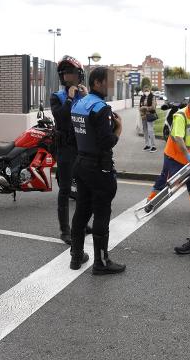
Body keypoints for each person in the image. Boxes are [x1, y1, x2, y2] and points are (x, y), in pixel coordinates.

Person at [69, 66, 126, 275]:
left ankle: (76, 257)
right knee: (102, 213)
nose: (110, 86)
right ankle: (101, 263)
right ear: (96, 83)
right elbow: (106, 142)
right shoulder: (100, 108)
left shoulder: (79, 104)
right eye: (107, 81)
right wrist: (118, 129)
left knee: (81, 211)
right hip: (99, 168)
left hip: (81, 164)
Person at [147, 93, 190, 215]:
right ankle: (151, 202)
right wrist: (187, 155)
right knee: (167, 179)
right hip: (175, 156)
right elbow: (178, 138)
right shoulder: (180, 116)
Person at [50, 55, 88, 244]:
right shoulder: (57, 96)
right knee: (65, 189)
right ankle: (65, 230)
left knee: (83, 188)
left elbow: (92, 116)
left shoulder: (84, 95)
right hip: (65, 148)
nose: (67, 76)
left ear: (78, 75)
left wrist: (87, 97)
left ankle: (81, 224)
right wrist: (71, 97)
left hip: (82, 147)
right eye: (64, 72)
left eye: (71, 72)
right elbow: (61, 118)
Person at [139, 86, 158, 152]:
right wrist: (142, 110)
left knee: (150, 130)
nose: (146, 91)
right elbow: (140, 107)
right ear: (143, 90)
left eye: (147, 90)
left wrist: (144, 107)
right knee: (145, 131)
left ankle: (153, 146)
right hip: (143, 116)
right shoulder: (142, 97)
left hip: (150, 115)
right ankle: (147, 145)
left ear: (149, 90)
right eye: (145, 90)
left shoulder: (153, 97)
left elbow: (153, 107)